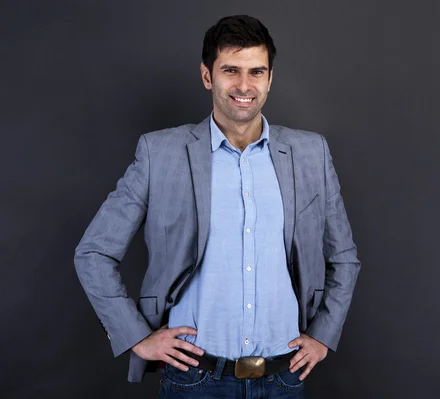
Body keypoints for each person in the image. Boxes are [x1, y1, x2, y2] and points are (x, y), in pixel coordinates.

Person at [74, 14, 360, 398]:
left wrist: (324, 334)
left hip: (283, 379)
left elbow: (343, 258)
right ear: (208, 76)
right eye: (231, 70)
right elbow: (93, 253)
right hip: (195, 380)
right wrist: (136, 336)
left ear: (270, 78)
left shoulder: (311, 154)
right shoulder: (160, 154)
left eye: (257, 71)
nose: (245, 85)